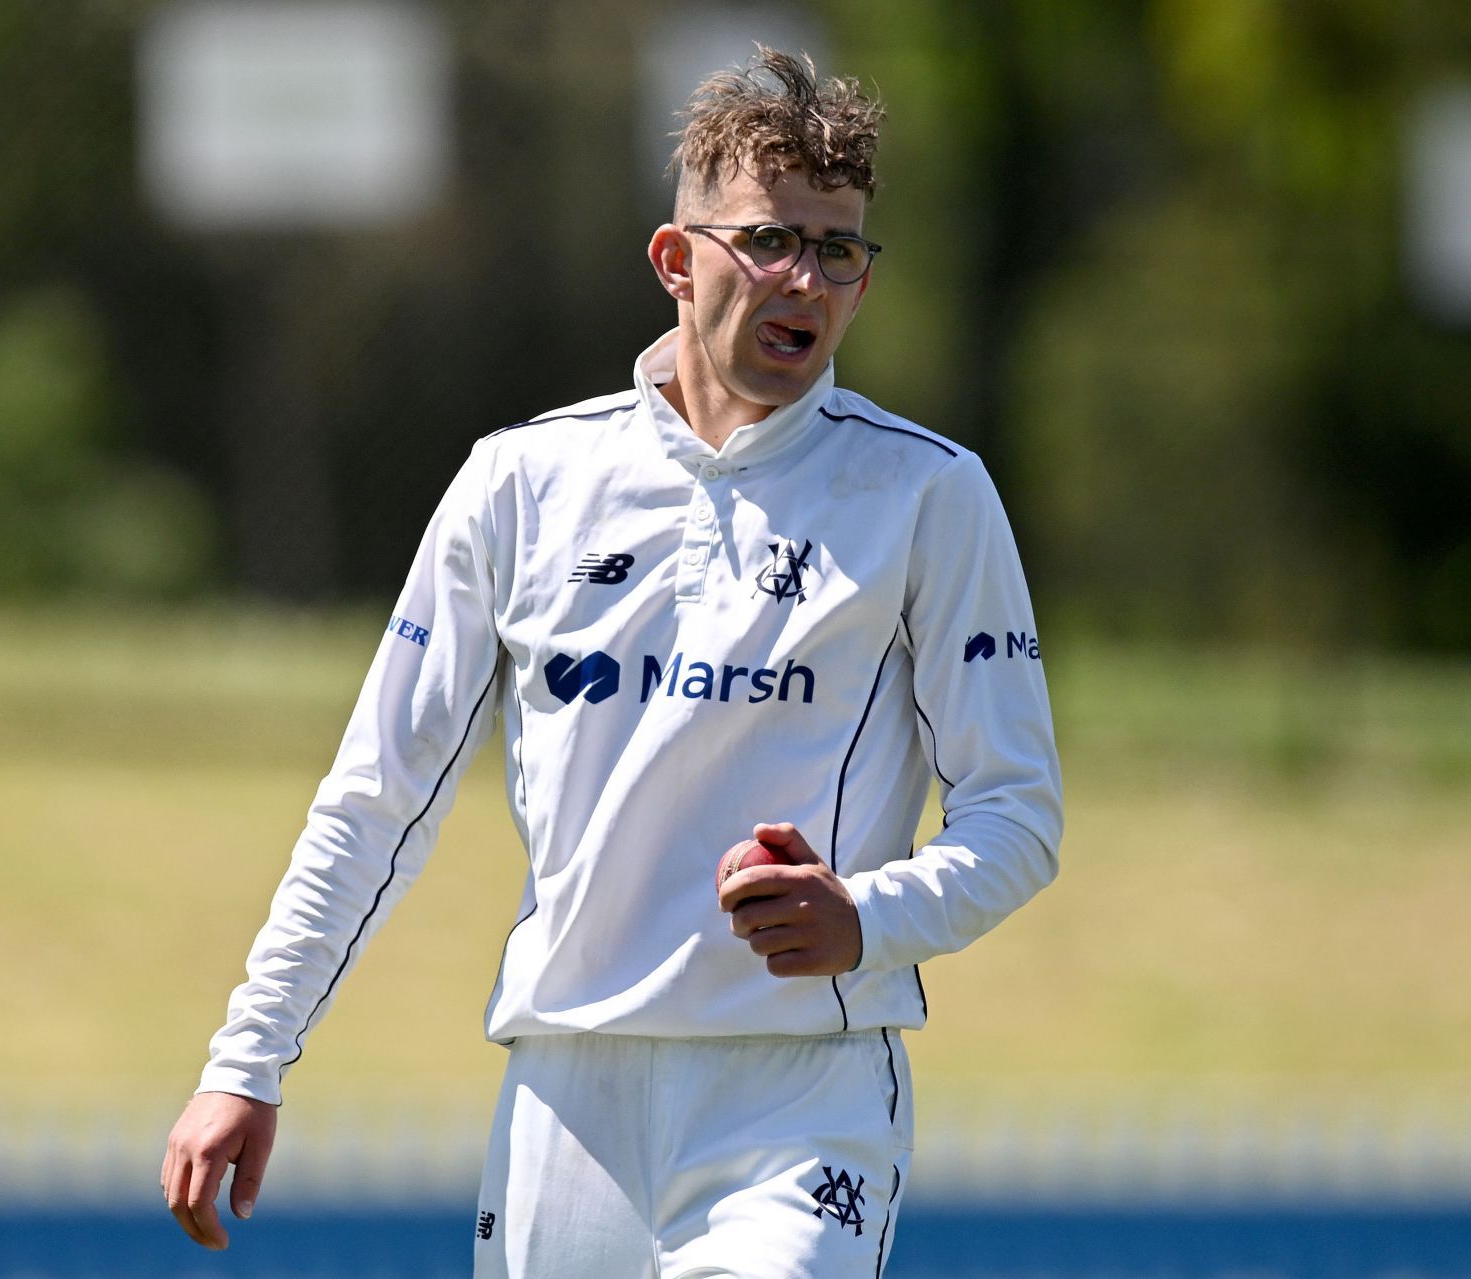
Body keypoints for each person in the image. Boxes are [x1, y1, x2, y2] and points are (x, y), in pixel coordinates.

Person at [162, 47, 1062, 1277]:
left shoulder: (928, 493)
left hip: (799, 1107)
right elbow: (376, 799)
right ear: (676, 261)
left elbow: (1018, 815)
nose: (805, 276)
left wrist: (867, 914)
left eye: (838, 249)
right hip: (566, 1103)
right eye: (769, 240)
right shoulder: (521, 483)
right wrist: (246, 1059)